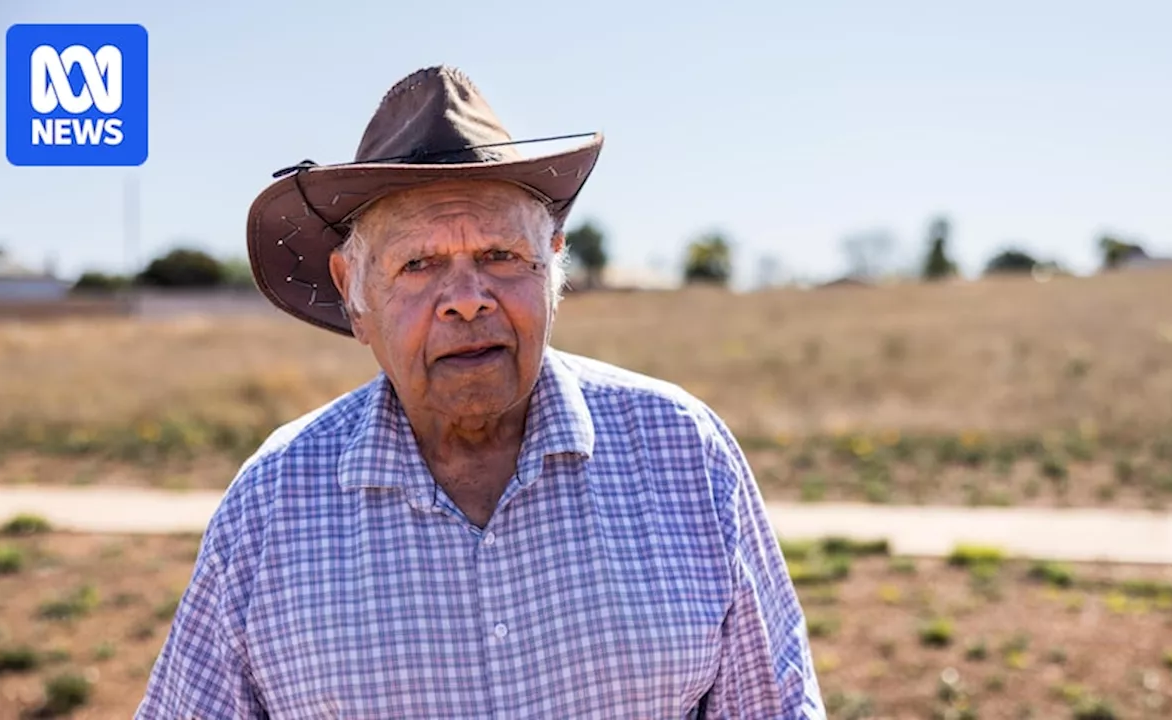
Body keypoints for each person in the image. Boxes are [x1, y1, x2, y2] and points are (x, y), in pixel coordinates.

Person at [135, 65, 824, 719]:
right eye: (420, 263)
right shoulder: (272, 502)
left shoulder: (681, 451)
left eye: (500, 256)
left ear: (552, 265)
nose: (467, 301)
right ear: (353, 290)